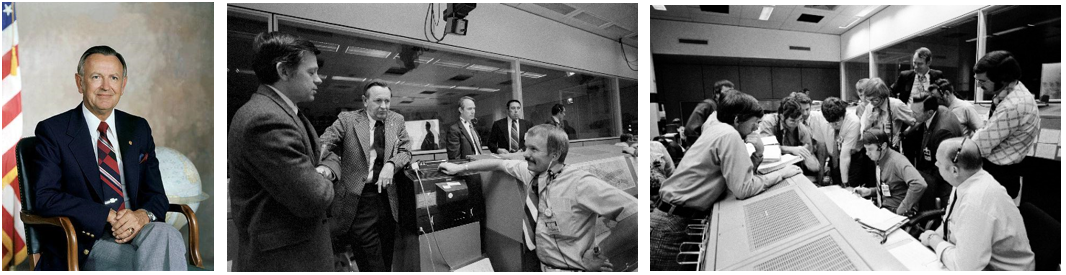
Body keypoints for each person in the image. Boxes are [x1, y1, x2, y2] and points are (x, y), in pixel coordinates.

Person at [31, 46, 186, 271]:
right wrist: (107, 215)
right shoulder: (53, 131)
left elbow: (157, 196)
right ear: (79, 82)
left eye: (113, 78)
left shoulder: (138, 128)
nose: (106, 86)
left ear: (123, 85)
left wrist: (142, 216)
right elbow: (45, 198)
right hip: (87, 241)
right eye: (96, 77)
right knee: (154, 260)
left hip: (139, 230)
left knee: (167, 234)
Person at [438, 125, 638, 272]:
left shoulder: (579, 182)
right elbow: (498, 164)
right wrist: (460, 168)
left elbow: (636, 216)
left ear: (555, 154)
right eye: (526, 148)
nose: (525, 154)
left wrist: (597, 253)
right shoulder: (532, 173)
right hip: (544, 266)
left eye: (534, 150)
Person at [650, 90, 802, 270]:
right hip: (671, 227)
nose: (756, 129)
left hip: (671, 218)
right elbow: (744, 188)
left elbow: (738, 174)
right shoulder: (730, 135)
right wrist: (783, 173)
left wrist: (758, 152)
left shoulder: (716, 126)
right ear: (737, 119)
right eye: (754, 123)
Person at [229, 32, 335, 271]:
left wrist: (318, 169)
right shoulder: (265, 120)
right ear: (284, 71)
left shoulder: (286, 112)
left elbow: (322, 158)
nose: (319, 79)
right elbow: (314, 198)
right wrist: (326, 172)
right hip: (285, 261)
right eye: (311, 72)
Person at [317, 81, 412, 271]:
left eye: (387, 101)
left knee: (386, 257)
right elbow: (324, 143)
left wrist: (391, 165)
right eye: (378, 101)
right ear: (365, 101)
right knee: (371, 263)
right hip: (358, 201)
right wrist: (318, 164)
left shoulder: (397, 120)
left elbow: (406, 151)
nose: (384, 106)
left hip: (388, 199)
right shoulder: (348, 120)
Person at [919, 138, 1034, 270]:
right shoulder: (967, 180)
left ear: (954, 170)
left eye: (938, 162)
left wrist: (933, 240)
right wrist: (934, 237)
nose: (936, 164)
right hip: (979, 260)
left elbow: (965, 268)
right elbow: (950, 222)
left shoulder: (976, 202)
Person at [972, 51, 1040, 199]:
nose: (979, 86)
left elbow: (979, 146)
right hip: (1001, 171)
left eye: (983, 81)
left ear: (1002, 79)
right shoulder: (1009, 91)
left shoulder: (1013, 105)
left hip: (1000, 175)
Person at [908, 94, 963, 210]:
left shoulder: (942, 132)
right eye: (911, 111)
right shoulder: (939, 109)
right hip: (933, 167)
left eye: (916, 113)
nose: (912, 116)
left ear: (929, 112)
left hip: (944, 177)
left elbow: (945, 166)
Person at [853, 130, 926, 216]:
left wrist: (901, 211)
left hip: (895, 212)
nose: (867, 153)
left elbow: (920, 184)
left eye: (870, 149)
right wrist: (869, 191)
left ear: (883, 146)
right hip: (884, 208)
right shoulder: (879, 158)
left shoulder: (897, 161)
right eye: (866, 149)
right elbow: (890, 188)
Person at [760, 97, 824, 179]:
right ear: (782, 117)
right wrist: (792, 149)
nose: (797, 124)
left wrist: (805, 152)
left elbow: (809, 149)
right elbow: (767, 149)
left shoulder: (801, 127)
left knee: (814, 166)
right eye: (793, 121)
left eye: (799, 120)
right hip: (773, 165)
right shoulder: (769, 123)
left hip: (793, 164)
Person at [815, 97, 863, 187]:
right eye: (831, 123)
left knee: (850, 188)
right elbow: (821, 144)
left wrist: (845, 183)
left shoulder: (853, 122)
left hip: (852, 157)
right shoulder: (820, 117)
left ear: (843, 114)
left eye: (837, 122)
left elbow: (845, 156)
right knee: (836, 186)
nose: (834, 126)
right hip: (834, 159)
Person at [859, 78, 916, 150]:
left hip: (890, 149)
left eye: (875, 100)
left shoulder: (896, 105)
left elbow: (915, 122)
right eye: (869, 100)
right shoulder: (870, 106)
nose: (872, 103)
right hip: (873, 148)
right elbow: (864, 128)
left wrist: (902, 135)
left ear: (883, 97)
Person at [683, 80, 733, 146]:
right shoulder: (707, 105)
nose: (730, 95)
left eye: (732, 92)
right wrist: (704, 146)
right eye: (727, 92)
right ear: (717, 94)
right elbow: (690, 131)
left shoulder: (721, 107)